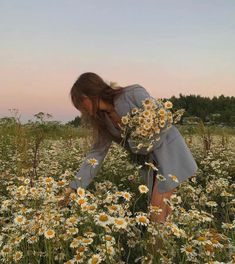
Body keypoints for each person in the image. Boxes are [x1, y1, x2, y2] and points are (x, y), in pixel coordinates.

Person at [61, 72, 198, 223]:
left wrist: (146, 140)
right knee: (163, 212)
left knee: (156, 211)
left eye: (80, 104)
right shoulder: (103, 121)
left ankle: (157, 246)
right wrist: (73, 188)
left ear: (88, 96)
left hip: (170, 153)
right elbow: (96, 155)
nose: (82, 110)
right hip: (150, 164)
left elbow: (163, 117)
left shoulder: (132, 94)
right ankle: (167, 243)